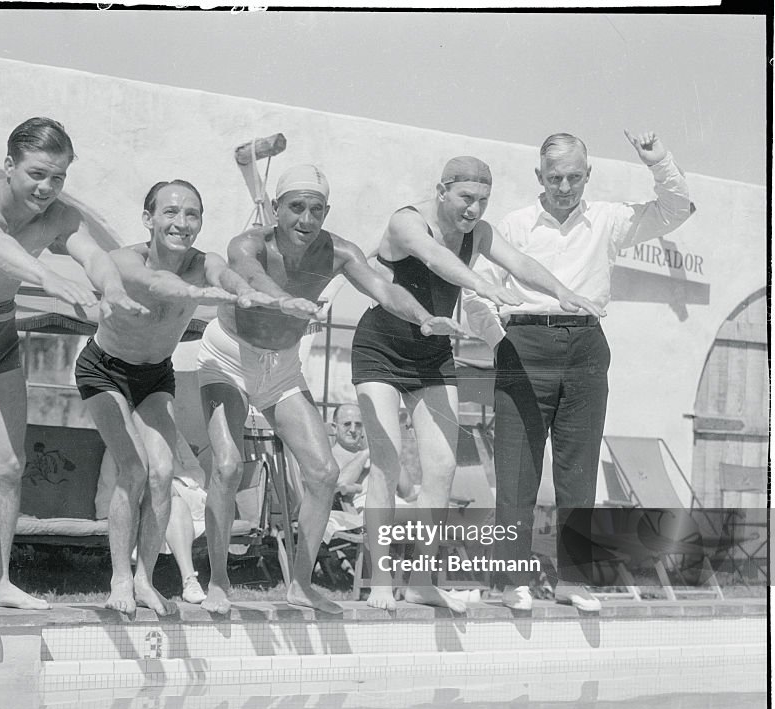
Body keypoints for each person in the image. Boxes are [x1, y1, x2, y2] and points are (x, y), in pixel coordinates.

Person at [197, 164, 464, 616]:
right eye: (296, 207)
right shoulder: (250, 244)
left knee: (322, 474)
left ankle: (300, 584)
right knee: (225, 466)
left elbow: (383, 288)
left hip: (280, 368)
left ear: (327, 212)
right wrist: (282, 300)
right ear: (277, 208)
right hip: (228, 359)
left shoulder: (340, 252)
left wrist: (422, 316)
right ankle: (219, 581)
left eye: (316, 209)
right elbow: (249, 275)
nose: (306, 219)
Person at [0, 117, 143, 629]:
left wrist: (112, 289)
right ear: (9, 165)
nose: (46, 188)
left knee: (9, 465)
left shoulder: (58, 216)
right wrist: (49, 277)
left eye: (58, 177)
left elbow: (96, 256)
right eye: (38, 173)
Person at [353, 156, 603, 613]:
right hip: (381, 352)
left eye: (484, 200)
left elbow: (520, 262)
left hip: (432, 354)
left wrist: (561, 292)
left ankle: (422, 581)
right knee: (387, 464)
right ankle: (381, 580)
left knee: (443, 468)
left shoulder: (480, 233)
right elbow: (439, 261)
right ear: (441, 189)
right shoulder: (407, 221)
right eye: (467, 198)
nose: (474, 209)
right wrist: (484, 288)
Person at [462, 131, 693, 612]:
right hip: (523, 344)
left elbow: (676, 210)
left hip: (586, 347)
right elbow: (476, 292)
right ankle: (511, 582)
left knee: (578, 471)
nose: (564, 187)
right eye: (554, 178)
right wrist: (498, 341)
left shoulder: (609, 219)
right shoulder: (516, 223)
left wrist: (659, 161)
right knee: (516, 471)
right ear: (538, 177)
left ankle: (574, 581)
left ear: (588, 174)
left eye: (573, 177)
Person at [75, 179, 271, 616]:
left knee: (163, 474)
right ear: (149, 219)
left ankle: (144, 578)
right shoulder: (128, 260)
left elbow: (225, 274)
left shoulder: (204, 264)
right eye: (171, 212)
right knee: (134, 468)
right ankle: (119, 579)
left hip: (154, 374)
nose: (182, 222)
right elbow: (153, 282)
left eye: (192, 214)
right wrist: (195, 292)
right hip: (104, 370)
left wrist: (245, 291)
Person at [95, 429, 210, 604]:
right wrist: (106, 514)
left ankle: (188, 582)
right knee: (169, 502)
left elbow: (197, 474)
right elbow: (108, 484)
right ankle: (189, 580)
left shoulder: (173, 434)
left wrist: (172, 474)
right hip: (145, 505)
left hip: (183, 494)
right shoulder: (119, 437)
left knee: (169, 495)